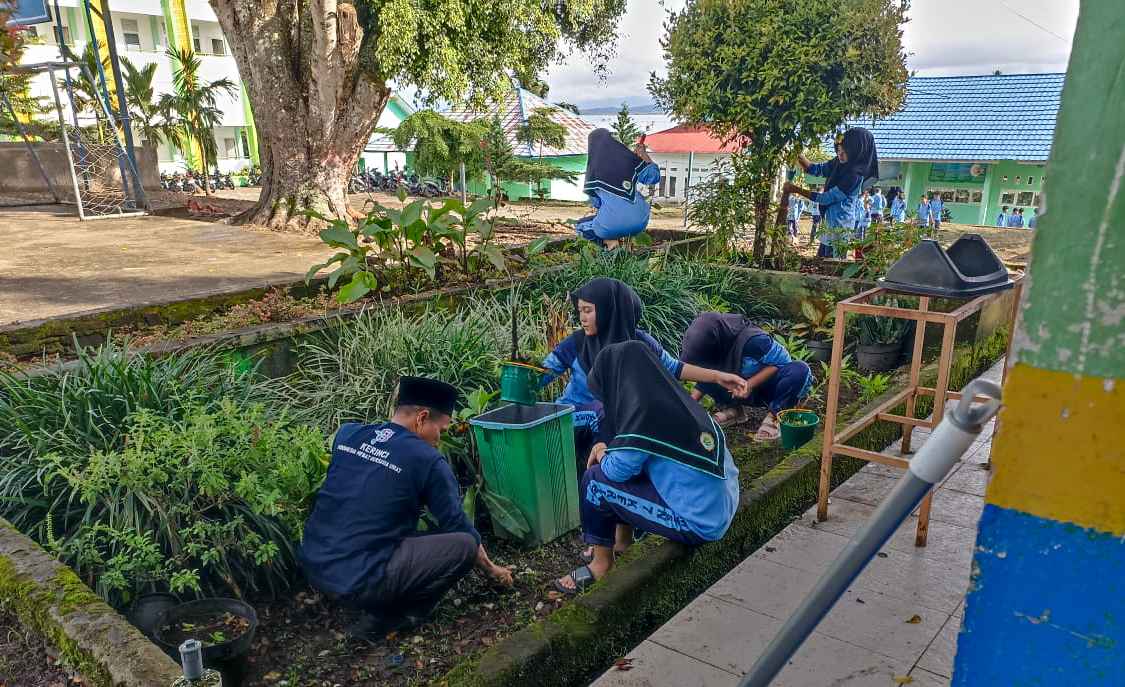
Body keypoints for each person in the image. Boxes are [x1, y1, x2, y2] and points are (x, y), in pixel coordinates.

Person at [300, 377, 514, 638]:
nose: (439, 440)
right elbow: (458, 525)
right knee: (463, 546)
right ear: (422, 418)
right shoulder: (428, 460)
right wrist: (493, 570)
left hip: (314, 563)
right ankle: (391, 617)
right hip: (360, 582)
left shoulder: (348, 434)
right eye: (441, 431)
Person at [553, 341, 740, 594]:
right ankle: (622, 543)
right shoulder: (677, 401)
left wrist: (600, 450)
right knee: (634, 468)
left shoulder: (642, 417)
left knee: (594, 481)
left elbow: (615, 472)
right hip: (720, 506)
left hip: (699, 522)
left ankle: (601, 564)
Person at [540, 278, 748, 474]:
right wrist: (520, 378)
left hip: (615, 419)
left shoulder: (639, 343)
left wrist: (718, 376)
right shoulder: (576, 343)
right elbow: (543, 373)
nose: (582, 318)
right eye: (580, 311)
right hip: (571, 416)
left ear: (608, 310)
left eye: (588, 311)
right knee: (601, 412)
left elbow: (674, 368)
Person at [680, 313, 813, 441]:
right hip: (736, 391)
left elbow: (782, 361)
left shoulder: (754, 341)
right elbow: (706, 377)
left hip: (768, 388)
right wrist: (688, 405)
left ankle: (774, 418)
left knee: (800, 370)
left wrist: (749, 384)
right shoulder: (713, 349)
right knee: (712, 372)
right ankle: (735, 410)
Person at [784, 128, 880, 259]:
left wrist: (796, 190)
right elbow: (816, 169)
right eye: (838, 150)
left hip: (840, 229)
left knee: (833, 265)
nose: (840, 155)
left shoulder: (854, 176)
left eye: (845, 152)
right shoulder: (838, 163)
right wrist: (798, 155)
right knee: (821, 261)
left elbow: (826, 199)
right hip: (829, 225)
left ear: (857, 151)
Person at [575, 129, 661, 249]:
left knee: (580, 226)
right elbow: (653, 177)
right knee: (621, 221)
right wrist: (643, 155)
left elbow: (597, 203)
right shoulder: (629, 159)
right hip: (641, 221)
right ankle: (625, 250)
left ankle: (611, 245)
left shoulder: (593, 171)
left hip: (611, 225)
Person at [854, 191, 872, 259]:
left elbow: (868, 219)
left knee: (862, 237)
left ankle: (861, 253)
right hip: (860, 222)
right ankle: (859, 254)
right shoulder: (860, 202)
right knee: (859, 237)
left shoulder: (867, 209)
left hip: (862, 223)